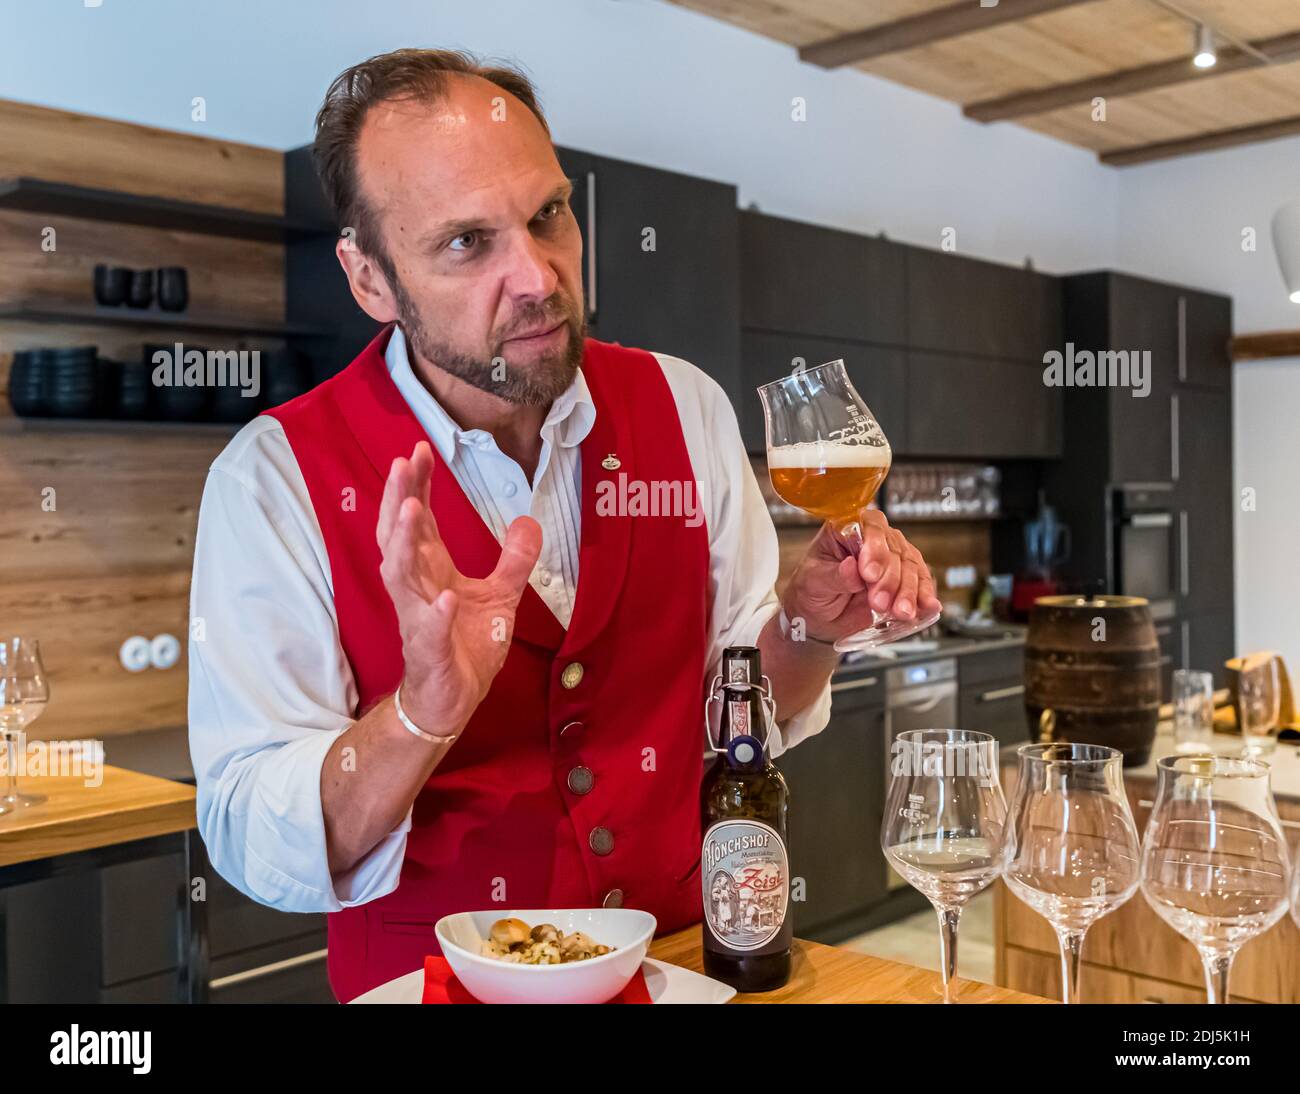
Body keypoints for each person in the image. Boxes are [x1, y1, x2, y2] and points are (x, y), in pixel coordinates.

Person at [187, 47, 942, 1001]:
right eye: (467, 243)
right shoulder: (273, 478)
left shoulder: (688, 406)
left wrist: (805, 626)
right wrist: (421, 713)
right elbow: (254, 831)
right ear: (370, 279)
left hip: (677, 975)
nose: (538, 276)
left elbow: (740, 712)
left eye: (548, 214)